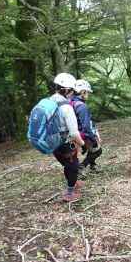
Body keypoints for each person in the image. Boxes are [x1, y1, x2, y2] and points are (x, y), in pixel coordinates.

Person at [51, 73, 85, 202]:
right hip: (65, 143)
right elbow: (74, 133)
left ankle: (73, 183)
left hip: (52, 142)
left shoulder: (49, 101)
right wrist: (82, 144)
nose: (73, 94)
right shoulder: (66, 107)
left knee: (67, 164)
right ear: (66, 90)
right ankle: (69, 193)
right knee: (73, 166)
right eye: (72, 90)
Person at [70, 79, 102, 175]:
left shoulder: (71, 102)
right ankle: (81, 167)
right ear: (82, 92)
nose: (88, 94)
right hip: (81, 134)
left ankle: (93, 165)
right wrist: (93, 139)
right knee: (97, 150)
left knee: (92, 149)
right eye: (87, 92)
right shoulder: (82, 106)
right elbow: (86, 127)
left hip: (72, 133)